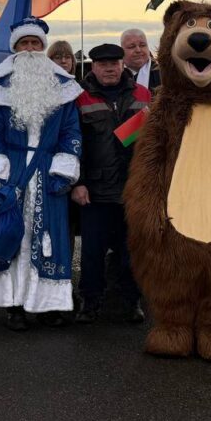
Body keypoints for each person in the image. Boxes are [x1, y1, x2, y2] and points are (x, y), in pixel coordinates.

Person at [0, 17, 83, 331]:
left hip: (49, 172)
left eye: (36, 44)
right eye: (25, 43)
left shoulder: (63, 88)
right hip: (13, 171)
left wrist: (64, 168)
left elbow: (71, 132)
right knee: (13, 238)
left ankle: (48, 304)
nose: (31, 50)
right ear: (15, 48)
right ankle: (14, 306)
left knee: (50, 240)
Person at [72, 43, 150, 324]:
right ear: (93, 67)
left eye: (114, 63)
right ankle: (90, 301)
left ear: (122, 65)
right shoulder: (80, 97)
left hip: (132, 189)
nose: (109, 68)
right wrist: (78, 183)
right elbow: (74, 144)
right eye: (103, 64)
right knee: (92, 253)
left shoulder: (142, 94)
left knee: (132, 252)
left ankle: (131, 301)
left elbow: (149, 142)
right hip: (94, 191)